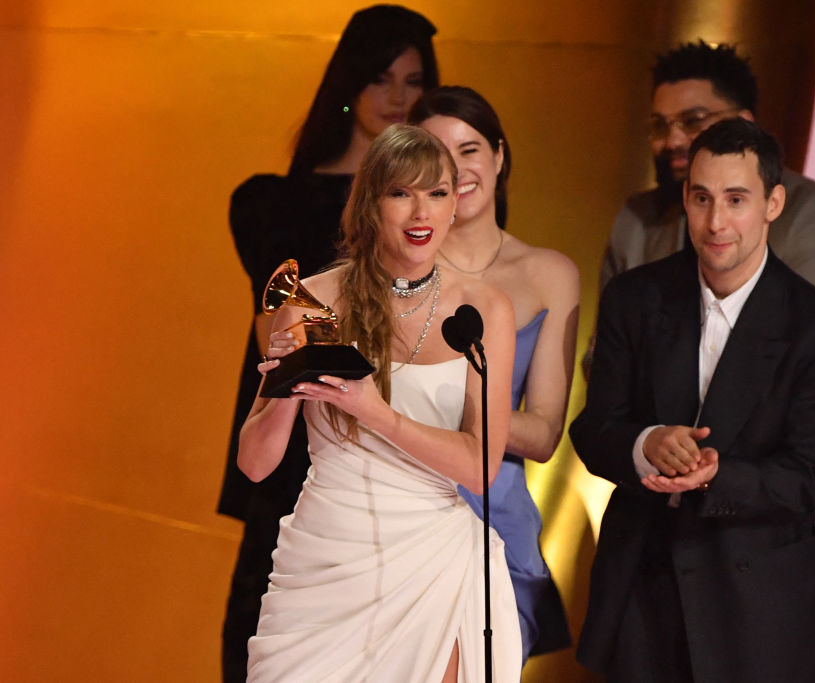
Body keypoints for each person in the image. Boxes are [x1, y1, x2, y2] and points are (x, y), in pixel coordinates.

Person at [594, 40, 815, 682]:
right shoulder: (640, 224)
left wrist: (702, 464)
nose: (675, 138)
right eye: (662, 124)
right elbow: (605, 386)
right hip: (659, 543)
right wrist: (650, 441)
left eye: (694, 120)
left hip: (792, 528)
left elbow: (787, 364)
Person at [240, 124, 522, 681]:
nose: (421, 212)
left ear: (455, 204)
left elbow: (480, 468)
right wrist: (287, 386)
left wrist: (376, 412)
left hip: (434, 562)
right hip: (326, 562)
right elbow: (254, 464)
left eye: (436, 193)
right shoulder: (311, 301)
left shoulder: (483, 309)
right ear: (370, 203)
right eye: (400, 193)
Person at [218, 6, 440, 680]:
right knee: (270, 636)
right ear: (348, 84)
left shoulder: (434, 206)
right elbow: (276, 330)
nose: (398, 97)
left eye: (413, 81)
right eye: (380, 78)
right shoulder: (275, 203)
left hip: (401, 445)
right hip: (300, 438)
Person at [409, 85, 577, 662]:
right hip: (402, 509)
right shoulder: (386, 272)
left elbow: (546, 434)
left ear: (499, 156)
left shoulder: (548, 273)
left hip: (496, 519)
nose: (456, 170)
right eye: (435, 153)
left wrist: (435, 403)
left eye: (470, 149)